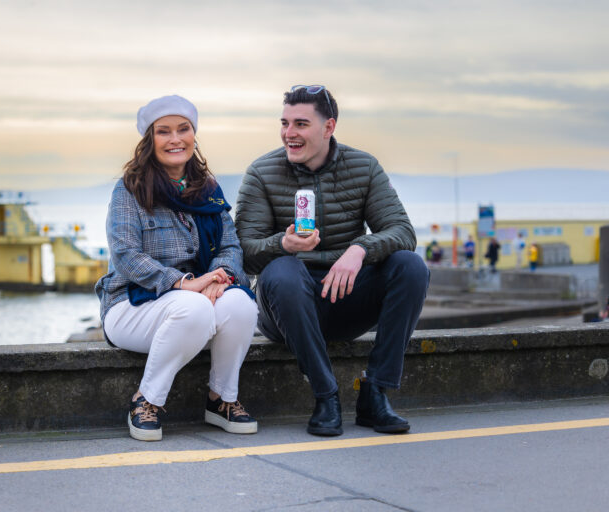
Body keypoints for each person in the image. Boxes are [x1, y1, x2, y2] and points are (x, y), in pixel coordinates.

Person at [235, 85, 430, 437]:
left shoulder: (364, 166)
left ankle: (376, 392)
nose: (289, 134)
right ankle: (326, 395)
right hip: (286, 308)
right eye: (285, 123)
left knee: (410, 266)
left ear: (329, 127)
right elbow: (244, 254)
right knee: (281, 270)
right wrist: (284, 243)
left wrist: (359, 250)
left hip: (345, 299)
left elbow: (402, 231)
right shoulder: (262, 173)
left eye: (301, 124)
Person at [95, 95, 258, 441]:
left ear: (193, 135)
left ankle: (221, 399)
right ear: (149, 140)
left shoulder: (209, 190)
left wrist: (220, 278)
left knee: (241, 303)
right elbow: (125, 255)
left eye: (183, 129)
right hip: (131, 305)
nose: (175, 139)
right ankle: (146, 401)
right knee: (193, 306)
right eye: (164, 131)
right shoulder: (130, 190)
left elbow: (229, 244)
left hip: (197, 299)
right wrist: (185, 283)